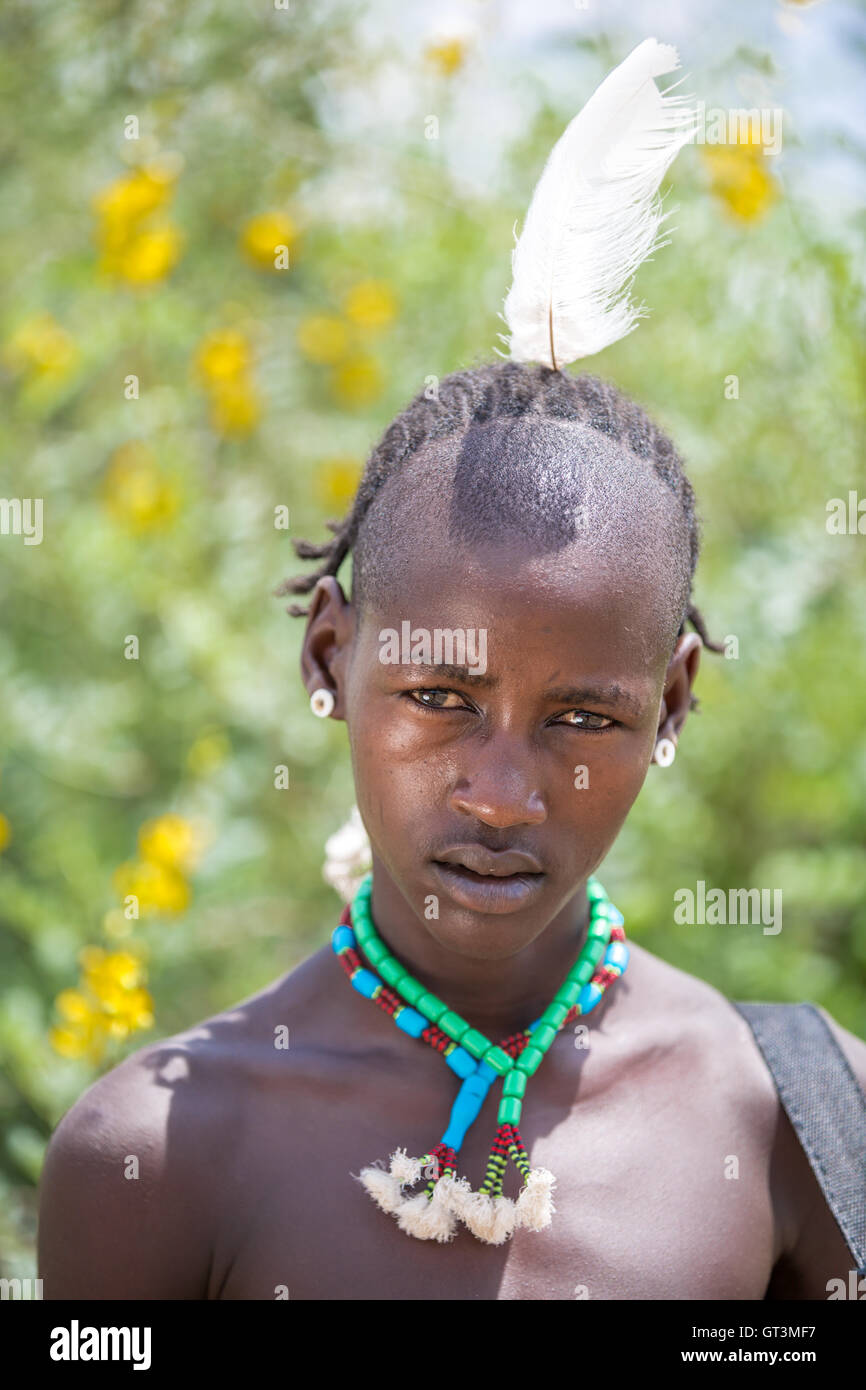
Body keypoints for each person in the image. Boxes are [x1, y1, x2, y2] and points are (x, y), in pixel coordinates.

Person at [37, 40, 866, 1301]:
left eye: (583, 716)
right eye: (438, 697)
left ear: (674, 706)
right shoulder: (159, 1158)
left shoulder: (799, 1122)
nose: (499, 792)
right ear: (329, 655)